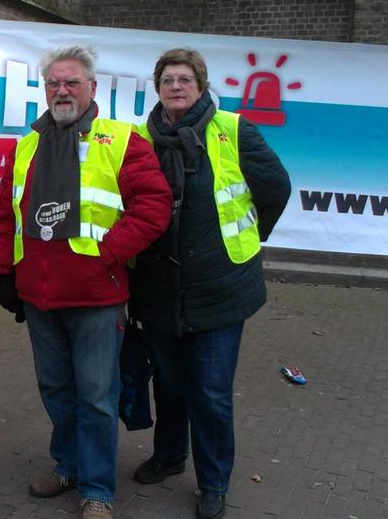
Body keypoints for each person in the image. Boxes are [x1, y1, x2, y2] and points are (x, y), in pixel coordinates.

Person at [0, 45, 172, 519]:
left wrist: (108, 256)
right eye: (53, 83)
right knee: (55, 389)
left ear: (92, 88)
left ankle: (97, 490)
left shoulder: (123, 140)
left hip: (96, 295)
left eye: (71, 82)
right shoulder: (25, 144)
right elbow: (6, 215)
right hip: (39, 296)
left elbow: (153, 207)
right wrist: (3, 274)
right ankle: (67, 464)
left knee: (96, 396)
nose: (61, 90)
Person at [128, 48, 291, 519]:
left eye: (184, 79)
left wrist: (248, 236)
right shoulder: (140, 137)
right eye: (166, 80)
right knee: (170, 384)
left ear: (201, 86)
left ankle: (214, 481)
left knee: (212, 392)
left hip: (219, 287)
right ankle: (169, 456)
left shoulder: (233, 129)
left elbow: (275, 186)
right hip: (157, 287)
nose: (175, 86)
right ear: (156, 89)